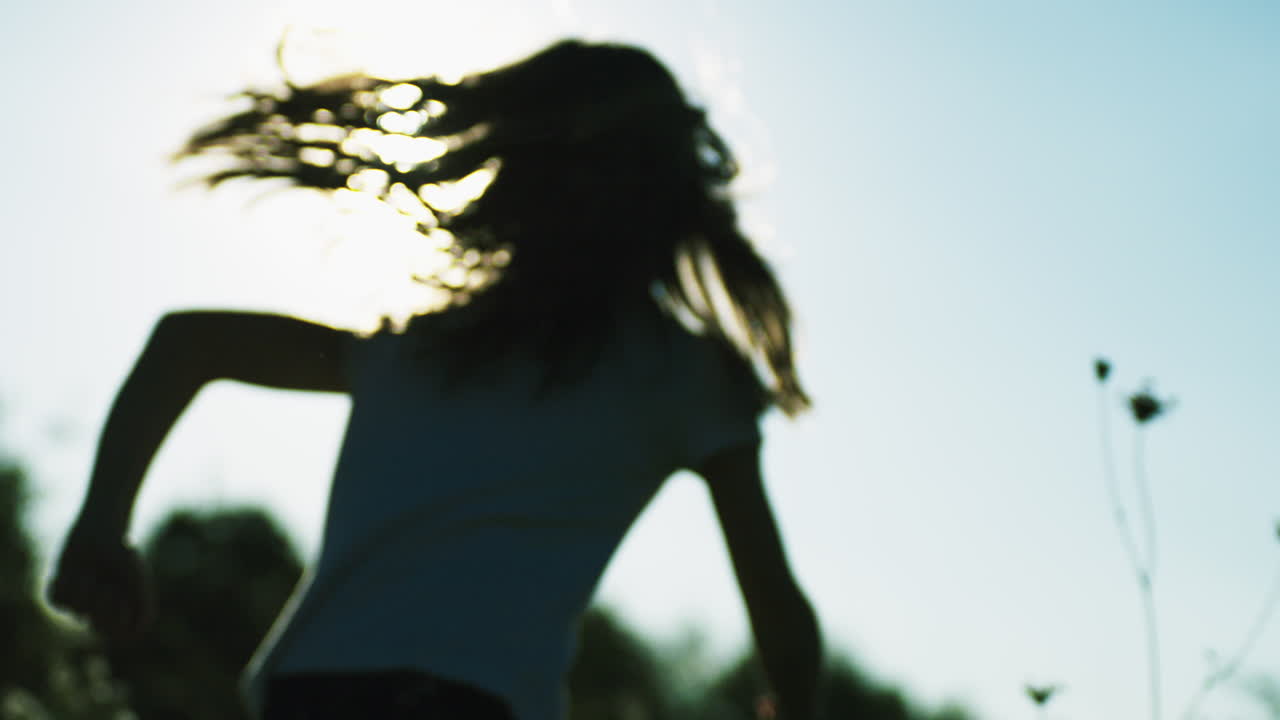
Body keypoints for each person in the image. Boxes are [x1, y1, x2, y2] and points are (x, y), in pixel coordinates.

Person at [47, 39, 822, 720]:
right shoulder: (688, 377)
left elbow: (187, 344)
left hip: (315, 695)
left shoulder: (430, 349)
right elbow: (777, 609)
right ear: (675, 194)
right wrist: (794, 705)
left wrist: (100, 525)